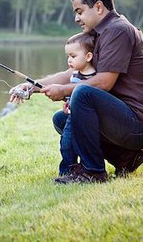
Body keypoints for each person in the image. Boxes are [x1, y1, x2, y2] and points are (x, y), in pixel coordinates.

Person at [10, 0, 143, 184]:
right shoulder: (100, 33)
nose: (76, 18)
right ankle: (126, 158)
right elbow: (71, 73)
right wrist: (33, 87)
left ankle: (93, 172)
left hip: (141, 124)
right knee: (63, 120)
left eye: (80, 11)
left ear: (99, 7)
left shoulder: (117, 30)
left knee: (82, 94)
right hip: (125, 119)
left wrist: (64, 91)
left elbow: (104, 82)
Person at [56, 32, 97, 176]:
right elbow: (71, 94)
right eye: (68, 56)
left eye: (73, 56)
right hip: (72, 118)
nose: (69, 60)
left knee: (78, 145)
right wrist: (66, 100)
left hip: (87, 120)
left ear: (88, 57)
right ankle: (67, 172)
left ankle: (79, 170)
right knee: (66, 145)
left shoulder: (95, 77)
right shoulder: (75, 75)